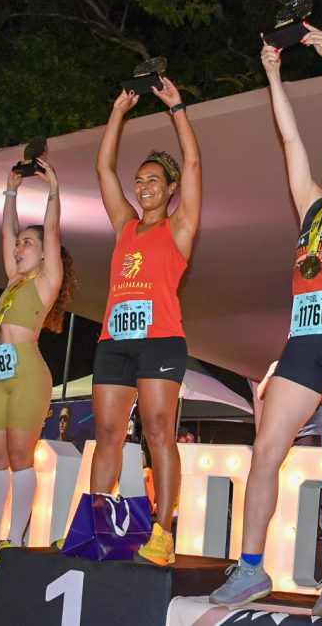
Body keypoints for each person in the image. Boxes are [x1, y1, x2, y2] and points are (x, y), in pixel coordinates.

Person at [210, 27, 322, 616]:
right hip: (304, 341)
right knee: (265, 449)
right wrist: (272, 72)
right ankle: (251, 569)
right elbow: (289, 137)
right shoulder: (311, 207)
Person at [90, 76, 201, 566]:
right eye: (139, 180)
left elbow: (193, 163)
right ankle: (95, 525)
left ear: (170, 189)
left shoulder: (180, 227)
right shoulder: (125, 225)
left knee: (158, 432)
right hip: (114, 341)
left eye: (154, 180)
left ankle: (163, 532)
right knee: (108, 434)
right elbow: (103, 167)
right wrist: (118, 111)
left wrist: (177, 109)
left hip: (161, 341)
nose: (143, 186)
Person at [0, 158, 75, 559]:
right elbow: (6, 233)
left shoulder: (46, 281)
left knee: (21, 456)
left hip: (27, 372)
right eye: (19, 243)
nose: (19, 247)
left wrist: (53, 189)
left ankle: (15, 541)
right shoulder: (13, 280)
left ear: (45, 255)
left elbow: (51, 231)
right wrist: (10, 191)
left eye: (28, 244)